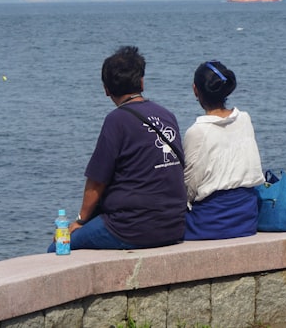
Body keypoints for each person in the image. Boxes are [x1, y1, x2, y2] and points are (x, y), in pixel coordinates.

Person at [49, 45, 186, 252]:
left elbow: (96, 182)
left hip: (131, 228)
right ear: (141, 82)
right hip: (173, 225)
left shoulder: (116, 120)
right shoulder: (167, 115)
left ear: (106, 90)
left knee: (57, 248)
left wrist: (80, 220)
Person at [183, 59, 265, 240]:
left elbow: (189, 185)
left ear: (196, 90)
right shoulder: (244, 119)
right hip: (247, 218)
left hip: (210, 222)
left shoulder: (197, 131)